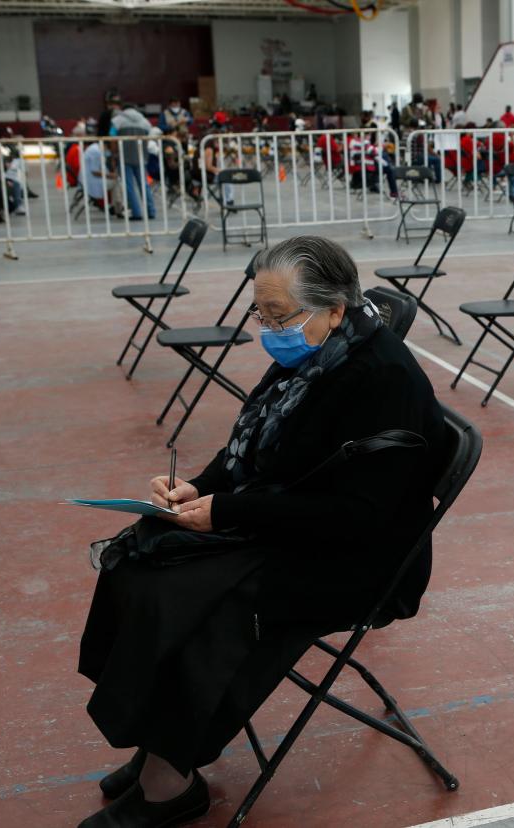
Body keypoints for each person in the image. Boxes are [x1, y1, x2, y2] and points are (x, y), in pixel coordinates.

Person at [75, 236, 447, 828]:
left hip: (360, 558)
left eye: (279, 316)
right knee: (145, 559)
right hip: (295, 522)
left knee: (195, 598)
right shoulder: (317, 354)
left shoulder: (382, 380)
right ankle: (158, 744)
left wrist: (231, 512)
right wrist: (199, 487)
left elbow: (360, 516)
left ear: (334, 308)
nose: (269, 329)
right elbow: (256, 449)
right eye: (262, 313)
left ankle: (171, 781)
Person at [111, 102, 156, 221]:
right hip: (141, 157)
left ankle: (136, 213)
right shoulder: (144, 121)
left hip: (124, 157)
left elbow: (112, 137)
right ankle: (151, 211)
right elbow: (150, 136)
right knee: (144, 185)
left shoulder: (117, 120)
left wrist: (113, 154)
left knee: (129, 186)